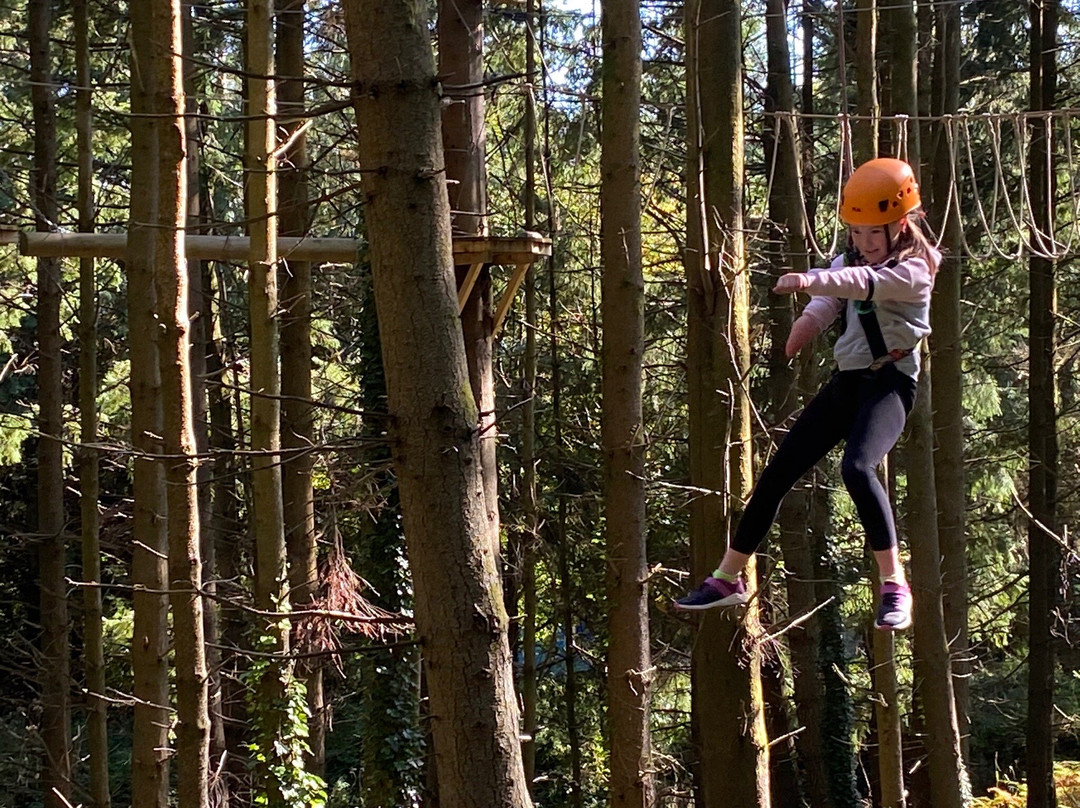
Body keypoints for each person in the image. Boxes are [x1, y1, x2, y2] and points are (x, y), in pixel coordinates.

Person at [674, 157, 940, 632]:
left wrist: (810, 278)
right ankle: (727, 577)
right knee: (778, 472)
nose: (862, 245)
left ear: (900, 225)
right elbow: (831, 298)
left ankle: (894, 585)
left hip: (891, 385)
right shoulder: (852, 260)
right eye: (855, 234)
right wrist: (804, 325)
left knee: (857, 467)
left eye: (872, 234)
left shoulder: (915, 269)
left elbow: (861, 284)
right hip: (848, 383)